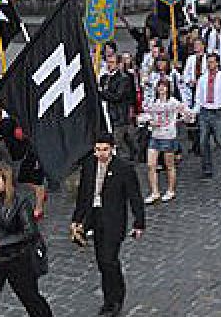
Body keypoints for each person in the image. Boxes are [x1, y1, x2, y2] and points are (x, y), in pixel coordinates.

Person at [70, 135, 145, 317]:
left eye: (104, 149)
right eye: (97, 149)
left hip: (114, 220)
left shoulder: (124, 168)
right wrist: (77, 219)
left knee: (108, 259)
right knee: (102, 261)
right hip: (94, 218)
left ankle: (113, 301)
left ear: (112, 149)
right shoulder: (89, 165)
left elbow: (135, 197)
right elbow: (83, 195)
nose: (101, 153)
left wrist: (139, 223)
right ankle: (112, 294)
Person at [0, 163, 52, 317]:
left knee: (31, 299)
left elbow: (30, 232)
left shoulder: (20, 202)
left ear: (5, 182)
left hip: (17, 258)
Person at [137, 79, 191, 204]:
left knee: (169, 166)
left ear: (168, 89)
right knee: (151, 165)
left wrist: (179, 120)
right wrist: (149, 122)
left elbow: (187, 114)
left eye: (164, 87)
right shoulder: (154, 102)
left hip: (168, 137)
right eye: (159, 86)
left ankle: (171, 190)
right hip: (155, 136)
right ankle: (155, 192)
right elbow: (145, 116)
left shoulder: (173, 102)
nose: (161, 89)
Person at [190, 53, 221, 179]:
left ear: (217, 63)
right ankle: (207, 168)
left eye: (212, 62)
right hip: (205, 112)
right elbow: (198, 98)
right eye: (208, 62)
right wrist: (194, 111)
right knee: (203, 141)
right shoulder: (202, 79)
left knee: (220, 140)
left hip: (218, 112)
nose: (210, 65)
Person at [99, 54, 139, 162]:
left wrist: (101, 92)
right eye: (108, 62)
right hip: (107, 112)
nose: (109, 65)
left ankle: (123, 160)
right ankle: (133, 153)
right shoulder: (104, 78)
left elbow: (117, 96)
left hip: (119, 114)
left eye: (112, 63)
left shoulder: (123, 79)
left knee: (118, 139)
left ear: (118, 64)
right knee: (124, 138)